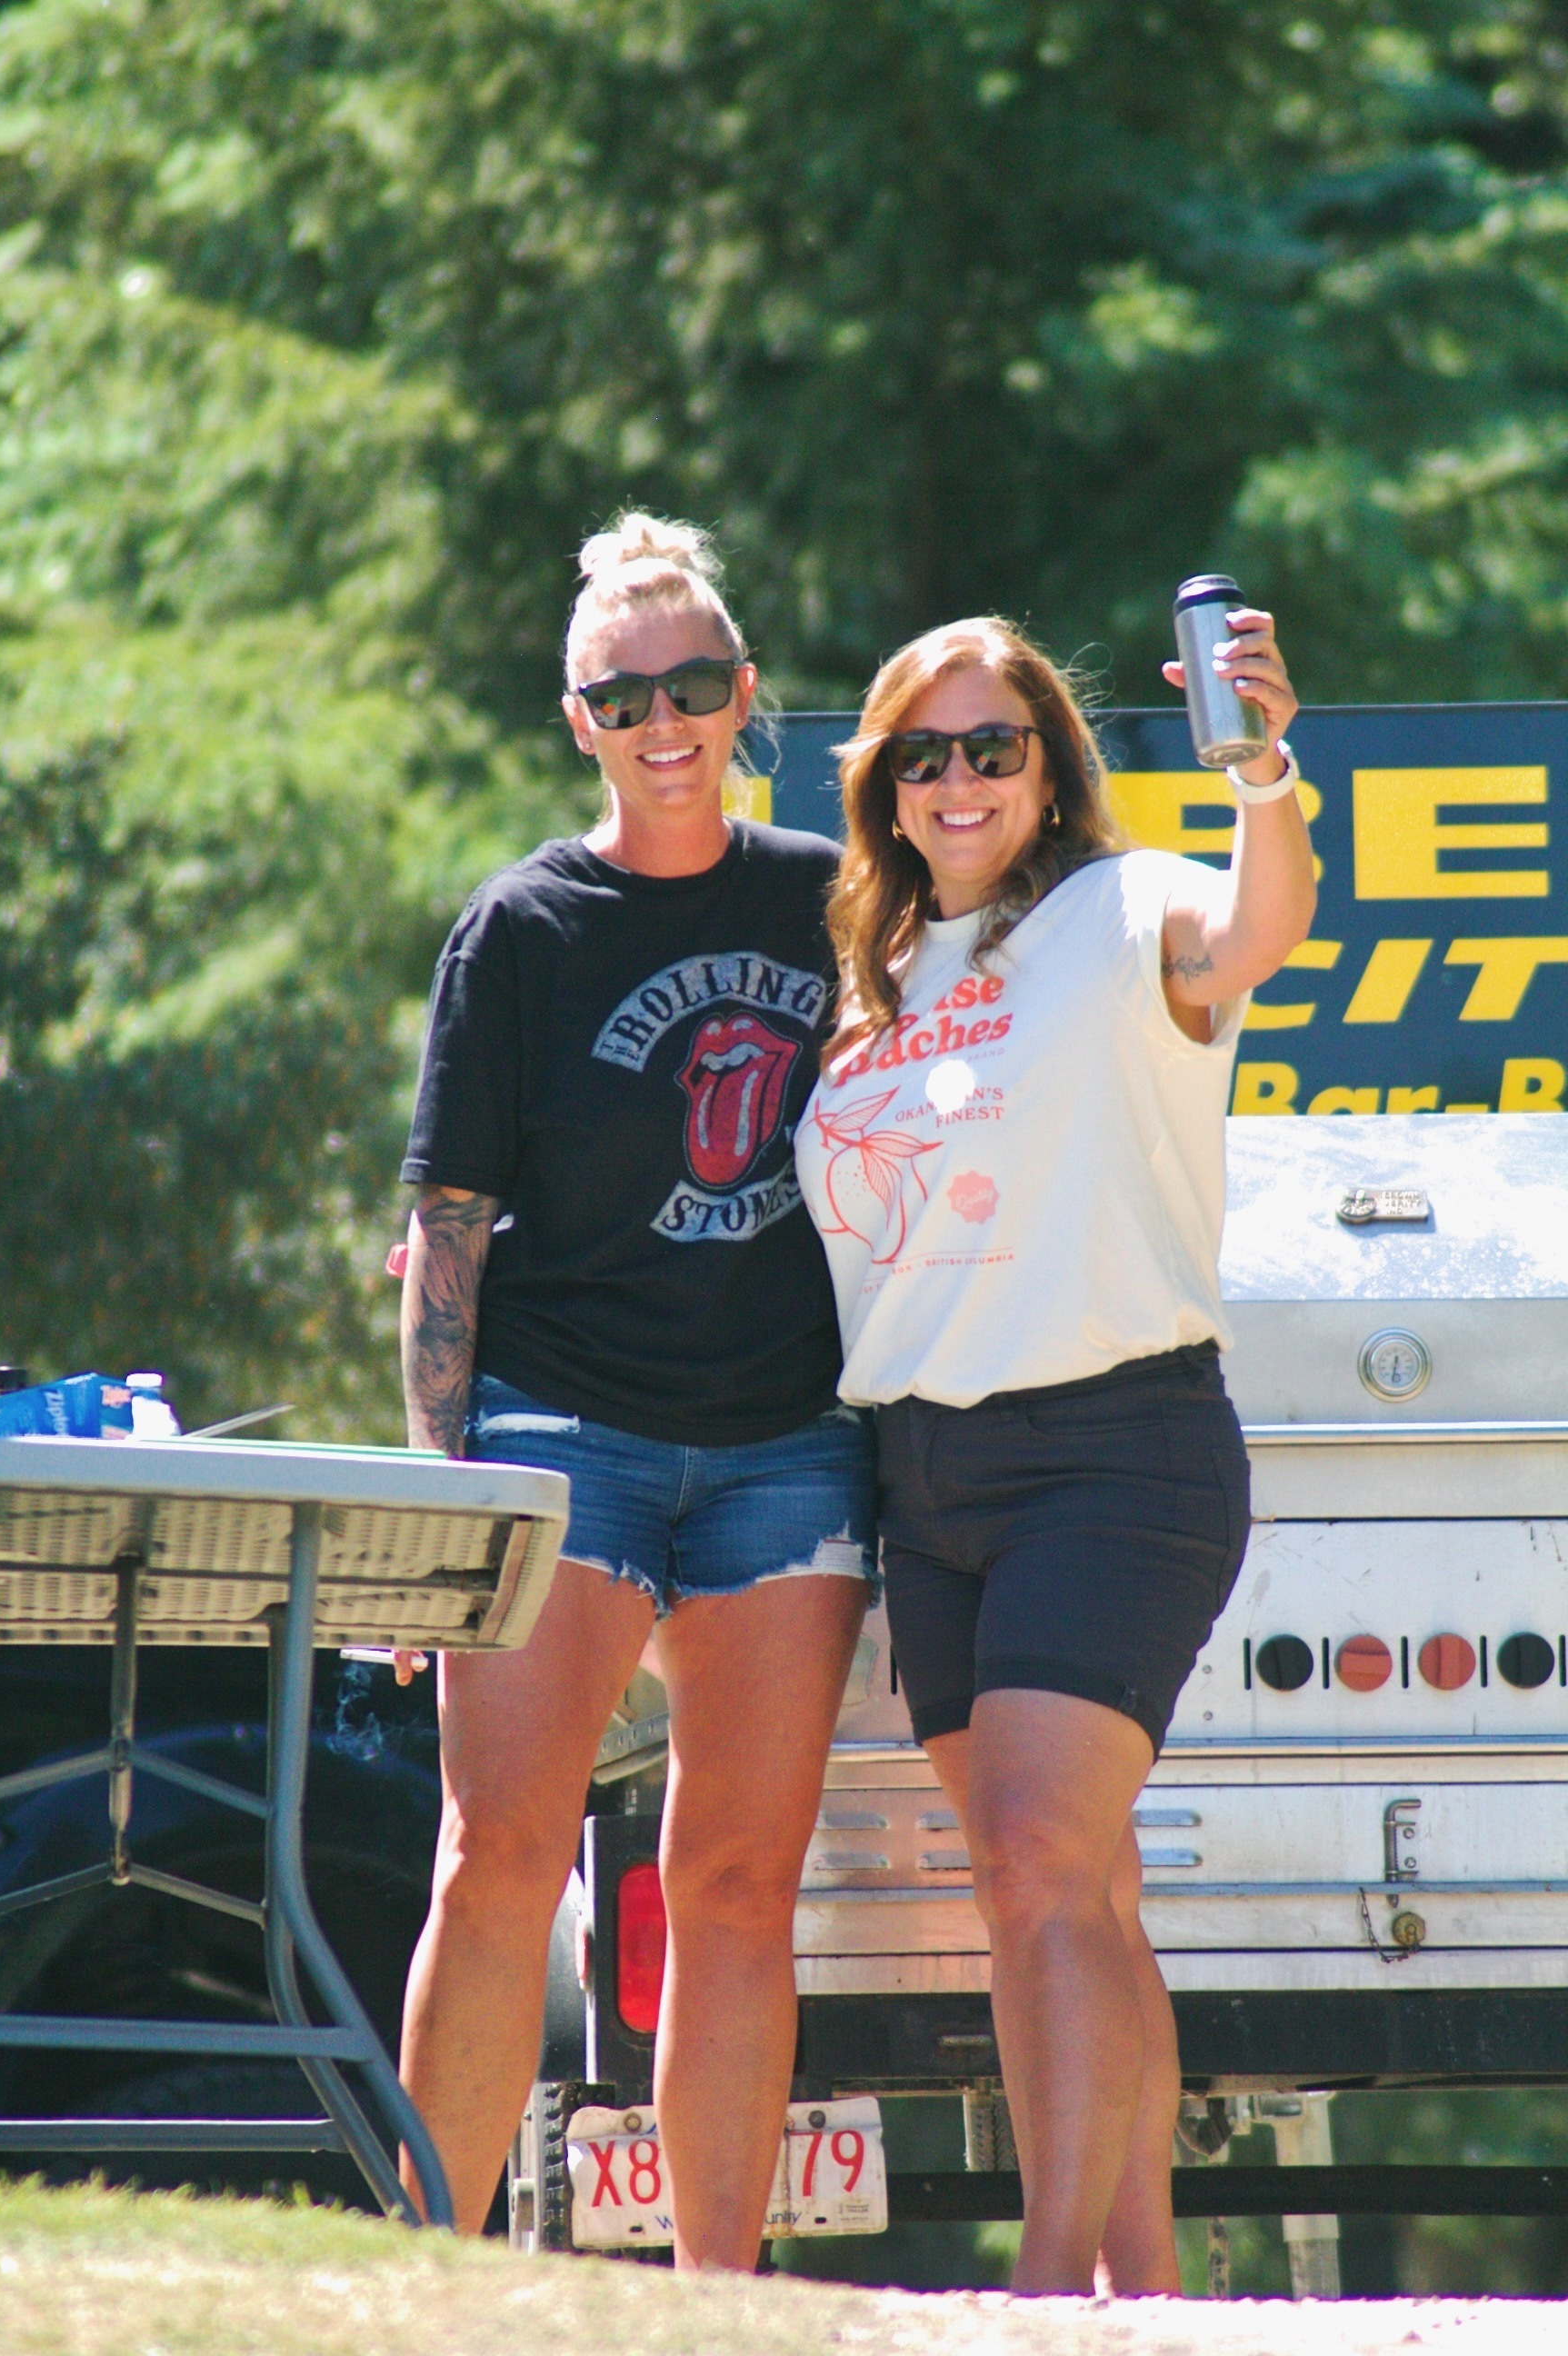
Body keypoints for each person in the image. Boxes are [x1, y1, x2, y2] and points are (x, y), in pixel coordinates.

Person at [794, 608, 1313, 2294]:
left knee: (1031, 1869)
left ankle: (1043, 2295)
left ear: (1048, 766)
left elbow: (1257, 929)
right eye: (922, 755)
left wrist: (1263, 773)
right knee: (1071, 1888)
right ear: (882, 786)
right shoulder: (870, 982)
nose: (959, 781)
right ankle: (1146, 2296)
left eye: (993, 748)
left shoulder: (1120, 908)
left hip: (1114, 1449)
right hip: (926, 1475)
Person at [394, 513, 877, 2263]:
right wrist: (435, 1493)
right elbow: (447, 1226)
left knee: (740, 1887)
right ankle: (430, 2280)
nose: (661, 721)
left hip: (787, 1446)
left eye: (691, 685)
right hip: (561, 1431)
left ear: (745, 696)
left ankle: (711, 2304)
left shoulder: (837, 895)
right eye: (622, 696)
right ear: (578, 720)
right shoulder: (520, 926)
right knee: (498, 1855)